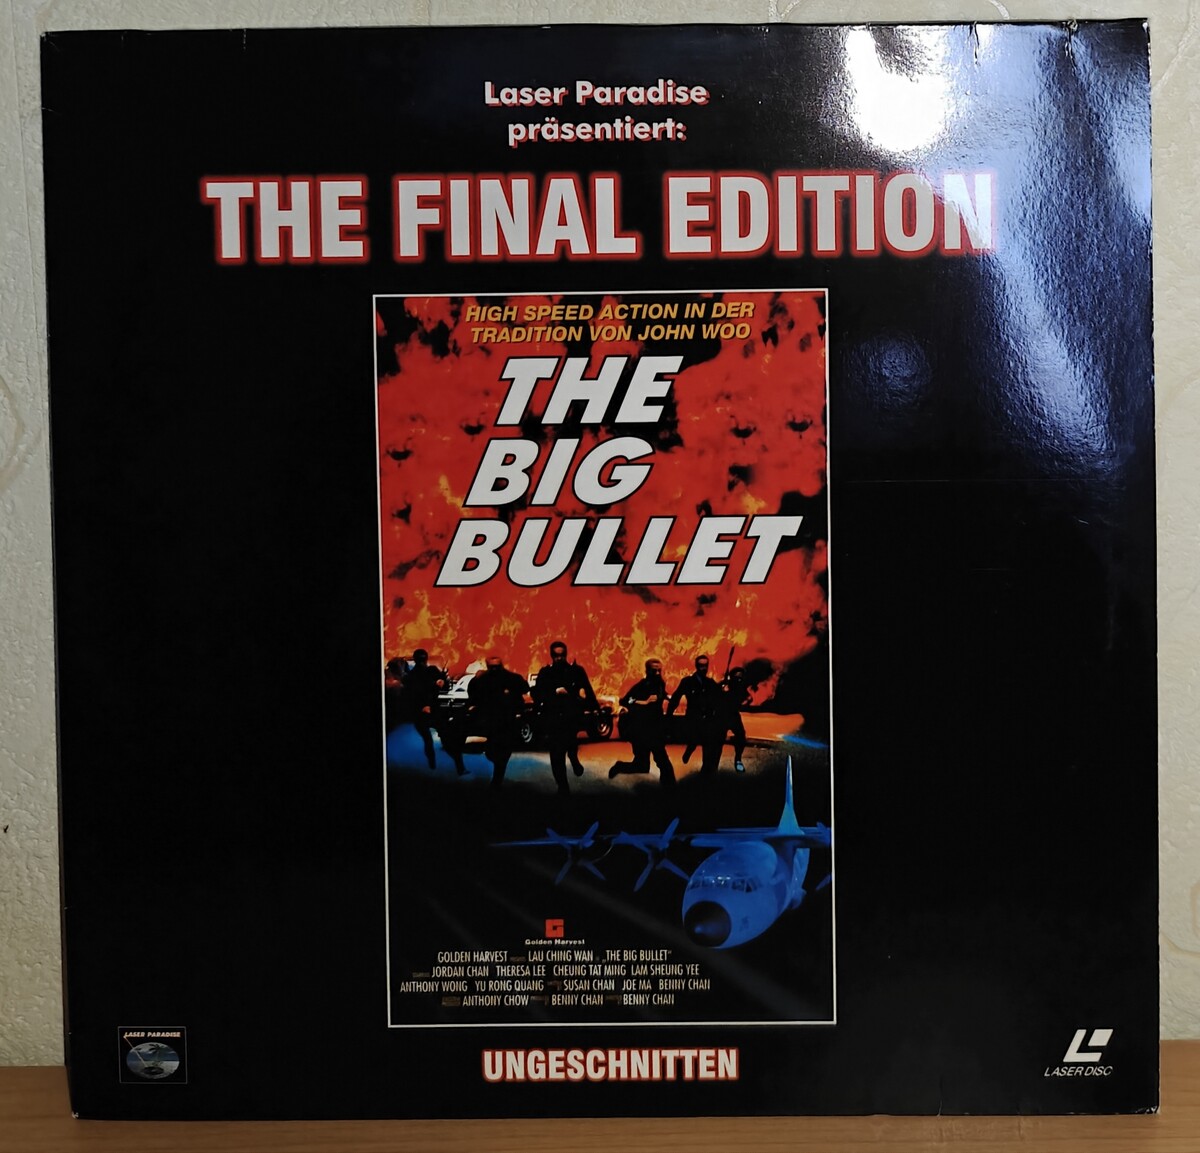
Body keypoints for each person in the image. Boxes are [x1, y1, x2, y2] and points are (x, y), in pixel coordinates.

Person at [532, 640, 598, 794]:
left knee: (571, 744)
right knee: (556, 754)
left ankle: (573, 758)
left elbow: (589, 693)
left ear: (566, 655)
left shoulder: (576, 671)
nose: (559, 658)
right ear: (552, 656)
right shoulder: (546, 673)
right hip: (553, 718)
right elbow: (537, 693)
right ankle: (563, 786)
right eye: (556, 656)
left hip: (571, 717)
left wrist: (592, 708)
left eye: (561, 655)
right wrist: (553, 693)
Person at [609, 659, 675, 788]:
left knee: (663, 762)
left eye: (659, 670)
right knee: (642, 766)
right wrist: (644, 702)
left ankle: (670, 790)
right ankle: (619, 767)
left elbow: (661, 694)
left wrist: (667, 697)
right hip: (641, 731)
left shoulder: (660, 683)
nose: (657, 673)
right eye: (654, 671)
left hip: (655, 730)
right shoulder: (642, 685)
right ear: (647, 671)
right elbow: (626, 700)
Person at [467, 656, 530, 789]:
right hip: (492, 720)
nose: (495, 670)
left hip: (507, 719)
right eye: (492, 667)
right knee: (493, 750)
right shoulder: (483, 679)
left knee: (504, 750)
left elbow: (524, 688)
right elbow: (473, 693)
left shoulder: (511, 678)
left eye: (497, 667)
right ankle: (497, 775)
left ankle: (497, 780)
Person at [668, 654, 724, 775]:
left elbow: (720, 698)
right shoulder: (687, 682)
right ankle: (690, 748)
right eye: (701, 666)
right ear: (696, 666)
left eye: (705, 666)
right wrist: (669, 715)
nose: (704, 668)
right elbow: (676, 698)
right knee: (694, 740)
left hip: (707, 719)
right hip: (693, 718)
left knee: (708, 745)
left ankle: (706, 771)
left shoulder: (710, 683)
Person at [404, 649, 449, 770]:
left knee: (428, 738)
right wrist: (441, 681)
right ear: (426, 659)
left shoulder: (410, 676)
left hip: (423, 710)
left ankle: (433, 764)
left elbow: (410, 697)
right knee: (438, 734)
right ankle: (440, 761)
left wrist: (442, 681)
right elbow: (444, 686)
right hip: (430, 709)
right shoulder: (431, 671)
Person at [721, 666, 752, 773]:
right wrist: (722, 687)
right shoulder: (725, 686)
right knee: (718, 740)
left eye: (741, 677)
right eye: (737, 677)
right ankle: (712, 762)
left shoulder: (741, 687)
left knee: (741, 736)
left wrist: (744, 703)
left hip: (734, 715)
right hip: (722, 716)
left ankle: (738, 759)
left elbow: (749, 697)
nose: (739, 679)